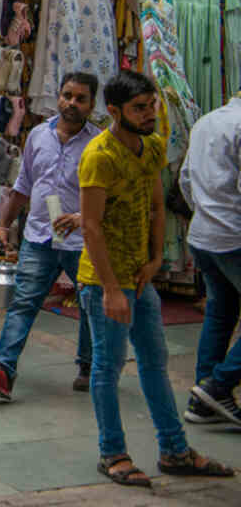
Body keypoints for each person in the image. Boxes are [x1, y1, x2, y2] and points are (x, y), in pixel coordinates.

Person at [77, 69, 233, 487]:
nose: (150, 114)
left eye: (152, 106)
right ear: (114, 111)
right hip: (103, 279)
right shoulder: (99, 155)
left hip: (141, 277)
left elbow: (157, 207)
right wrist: (111, 288)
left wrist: (155, 261)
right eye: (140, 108)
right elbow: (90, 226)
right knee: (107, 369)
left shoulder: (152, 148)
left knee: (154, 364)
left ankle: (175, 449)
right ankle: (112, 454)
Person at [0, 72, 100, 400]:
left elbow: (109, 198)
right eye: (66, 95)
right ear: (58, 96)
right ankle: (3, 371)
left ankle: (88, 366)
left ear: (91, 104)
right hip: (40, 236)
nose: (71, 103)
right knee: (24, 303)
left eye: (80, 98)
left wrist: (83, 218)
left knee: (89, 305)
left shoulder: (99, 145)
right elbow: (23, 186)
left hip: (82, 240)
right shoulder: (39, 136)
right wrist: (3, 225)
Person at [182, 90, 241, 426]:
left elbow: (186, 180)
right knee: (221, 310)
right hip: (233, 236)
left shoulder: (206, 122)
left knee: (221, 311)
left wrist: (206, 213)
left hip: (204, 234)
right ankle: (218, 385)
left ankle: (202, 398)